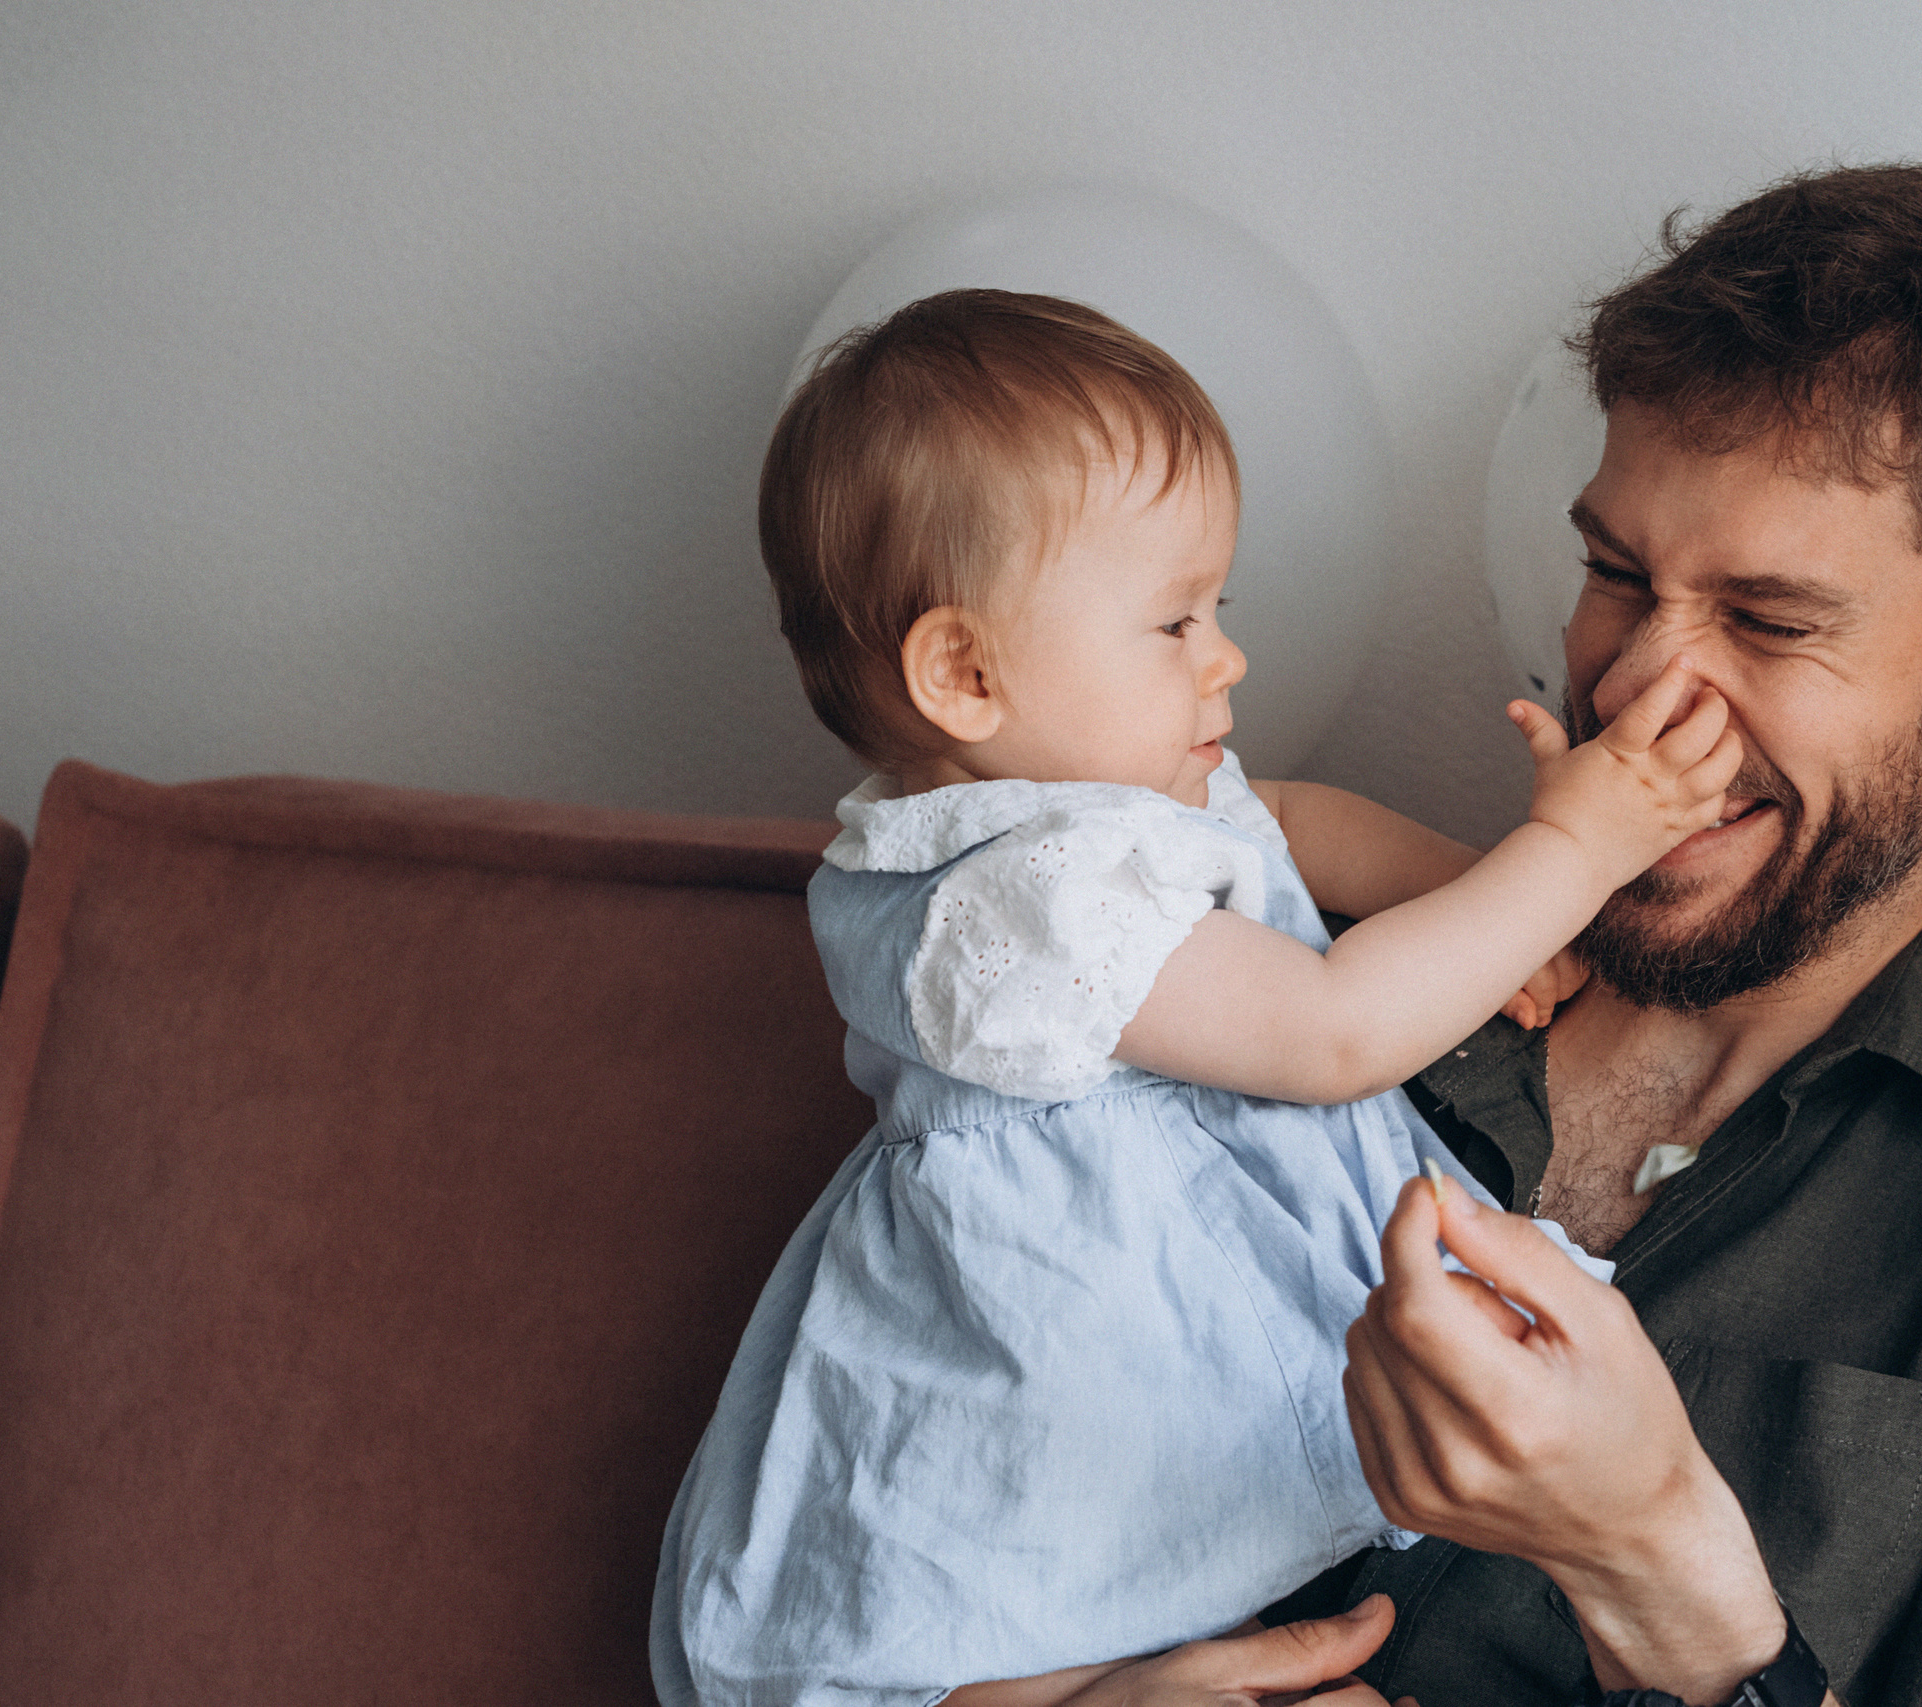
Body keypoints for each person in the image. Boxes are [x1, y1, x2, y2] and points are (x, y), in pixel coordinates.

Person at [1025, 166, 1922, 1706]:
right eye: (1616, 577)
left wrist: (1654, 1561)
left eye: (1771, 622)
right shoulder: (1262, 946)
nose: (1639, 689)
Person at [649, 289, 1748, 1706]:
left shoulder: (1121, 800)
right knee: (1019, 1592)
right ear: (965, 673)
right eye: (1173, 620)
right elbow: (1329, 1033)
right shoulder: (1016, 901)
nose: (1223, 656)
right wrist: (1573, 856)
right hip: (1068, 1343)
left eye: (1214, 606)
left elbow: (1281, 822)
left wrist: (1470, 890)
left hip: (1168, 1291)